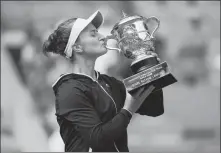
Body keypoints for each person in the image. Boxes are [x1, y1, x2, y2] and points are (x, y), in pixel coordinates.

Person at [42, 10, 164, 152]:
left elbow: (155, 108)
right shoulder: (68, 89)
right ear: (77, 47)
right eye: (93, 34)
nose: (102, 37)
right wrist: (128, 109)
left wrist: (148, 68)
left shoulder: (108, 82)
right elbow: (98, 139)